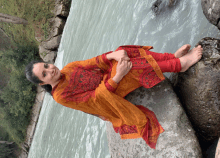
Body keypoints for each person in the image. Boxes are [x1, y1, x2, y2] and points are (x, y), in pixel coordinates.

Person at [25, 44, 203, 149]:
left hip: (107, 80)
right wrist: (118, 75)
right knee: (131, 68)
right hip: (109, 96)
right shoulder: (61, 96)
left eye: (47, 65)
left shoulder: (68, 69)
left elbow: (93, 62)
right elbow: (95, 100)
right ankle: (178, 65)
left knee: (124, 51)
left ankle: (170, 57)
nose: (51, 69)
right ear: (43, 83)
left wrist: (113, 55)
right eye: (45, 74)